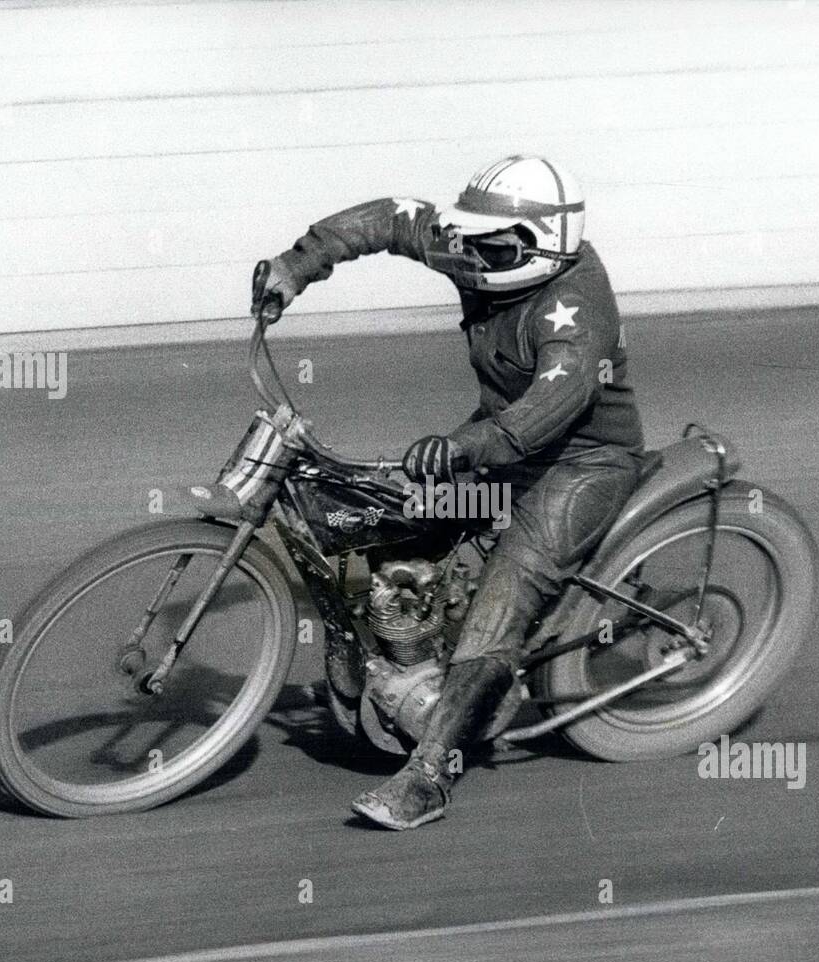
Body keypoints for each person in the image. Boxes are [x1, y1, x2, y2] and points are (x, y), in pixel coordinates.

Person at [252, 155, 645, 829]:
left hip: (579, 462)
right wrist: (296, 265)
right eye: (472, 237)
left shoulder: (575, 308)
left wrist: (463, 449)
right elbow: (390, 219)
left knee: (505, 600)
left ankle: (429, 776)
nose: (473, 255)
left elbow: (550, 404)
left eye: (494, 244)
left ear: (541, 243)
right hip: (498, 435)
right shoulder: (482, 248)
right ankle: (392, 647)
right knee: (388, 512)